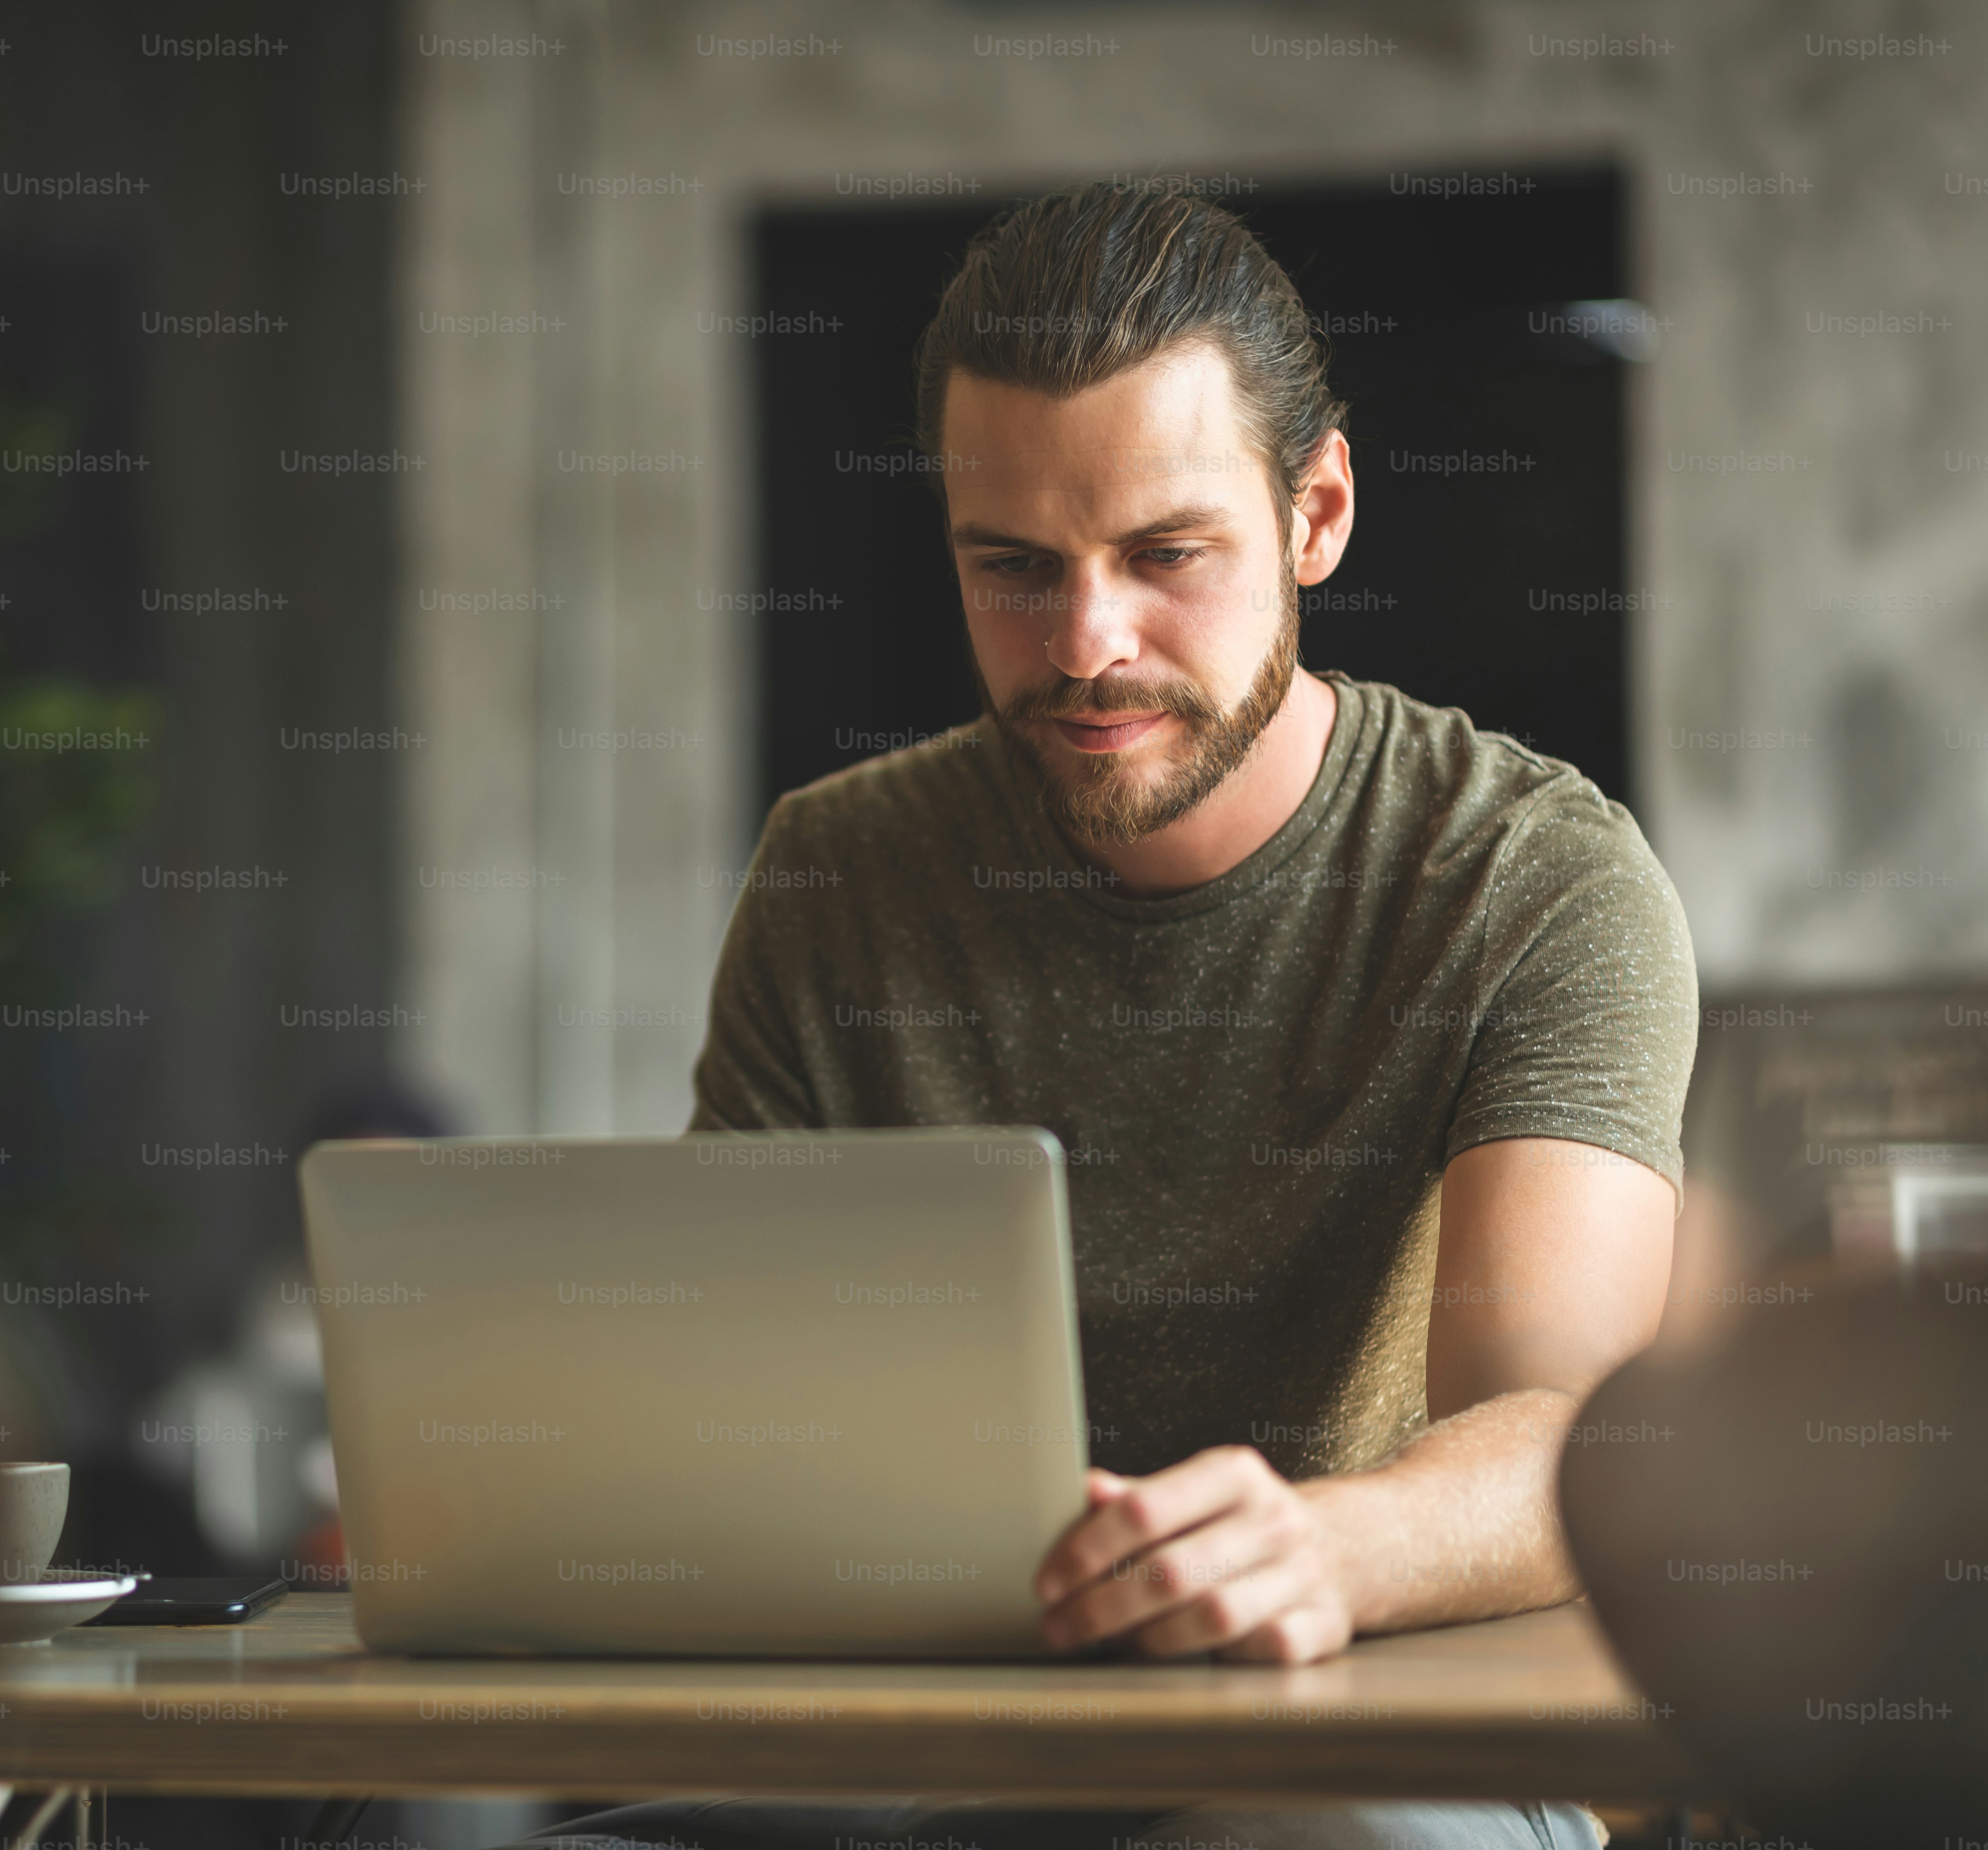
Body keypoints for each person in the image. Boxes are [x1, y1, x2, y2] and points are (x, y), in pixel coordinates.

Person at [518, 184, 1693, 1850]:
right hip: (942, 1750)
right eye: (1013, 568)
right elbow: (736, 1409)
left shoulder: (1531, 879)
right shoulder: (837, 869)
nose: (1086, 645)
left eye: (1166, 557)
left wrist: (1318, 1548)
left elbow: (1570, 1432)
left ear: (1319, 514)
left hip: (1368, 1734)